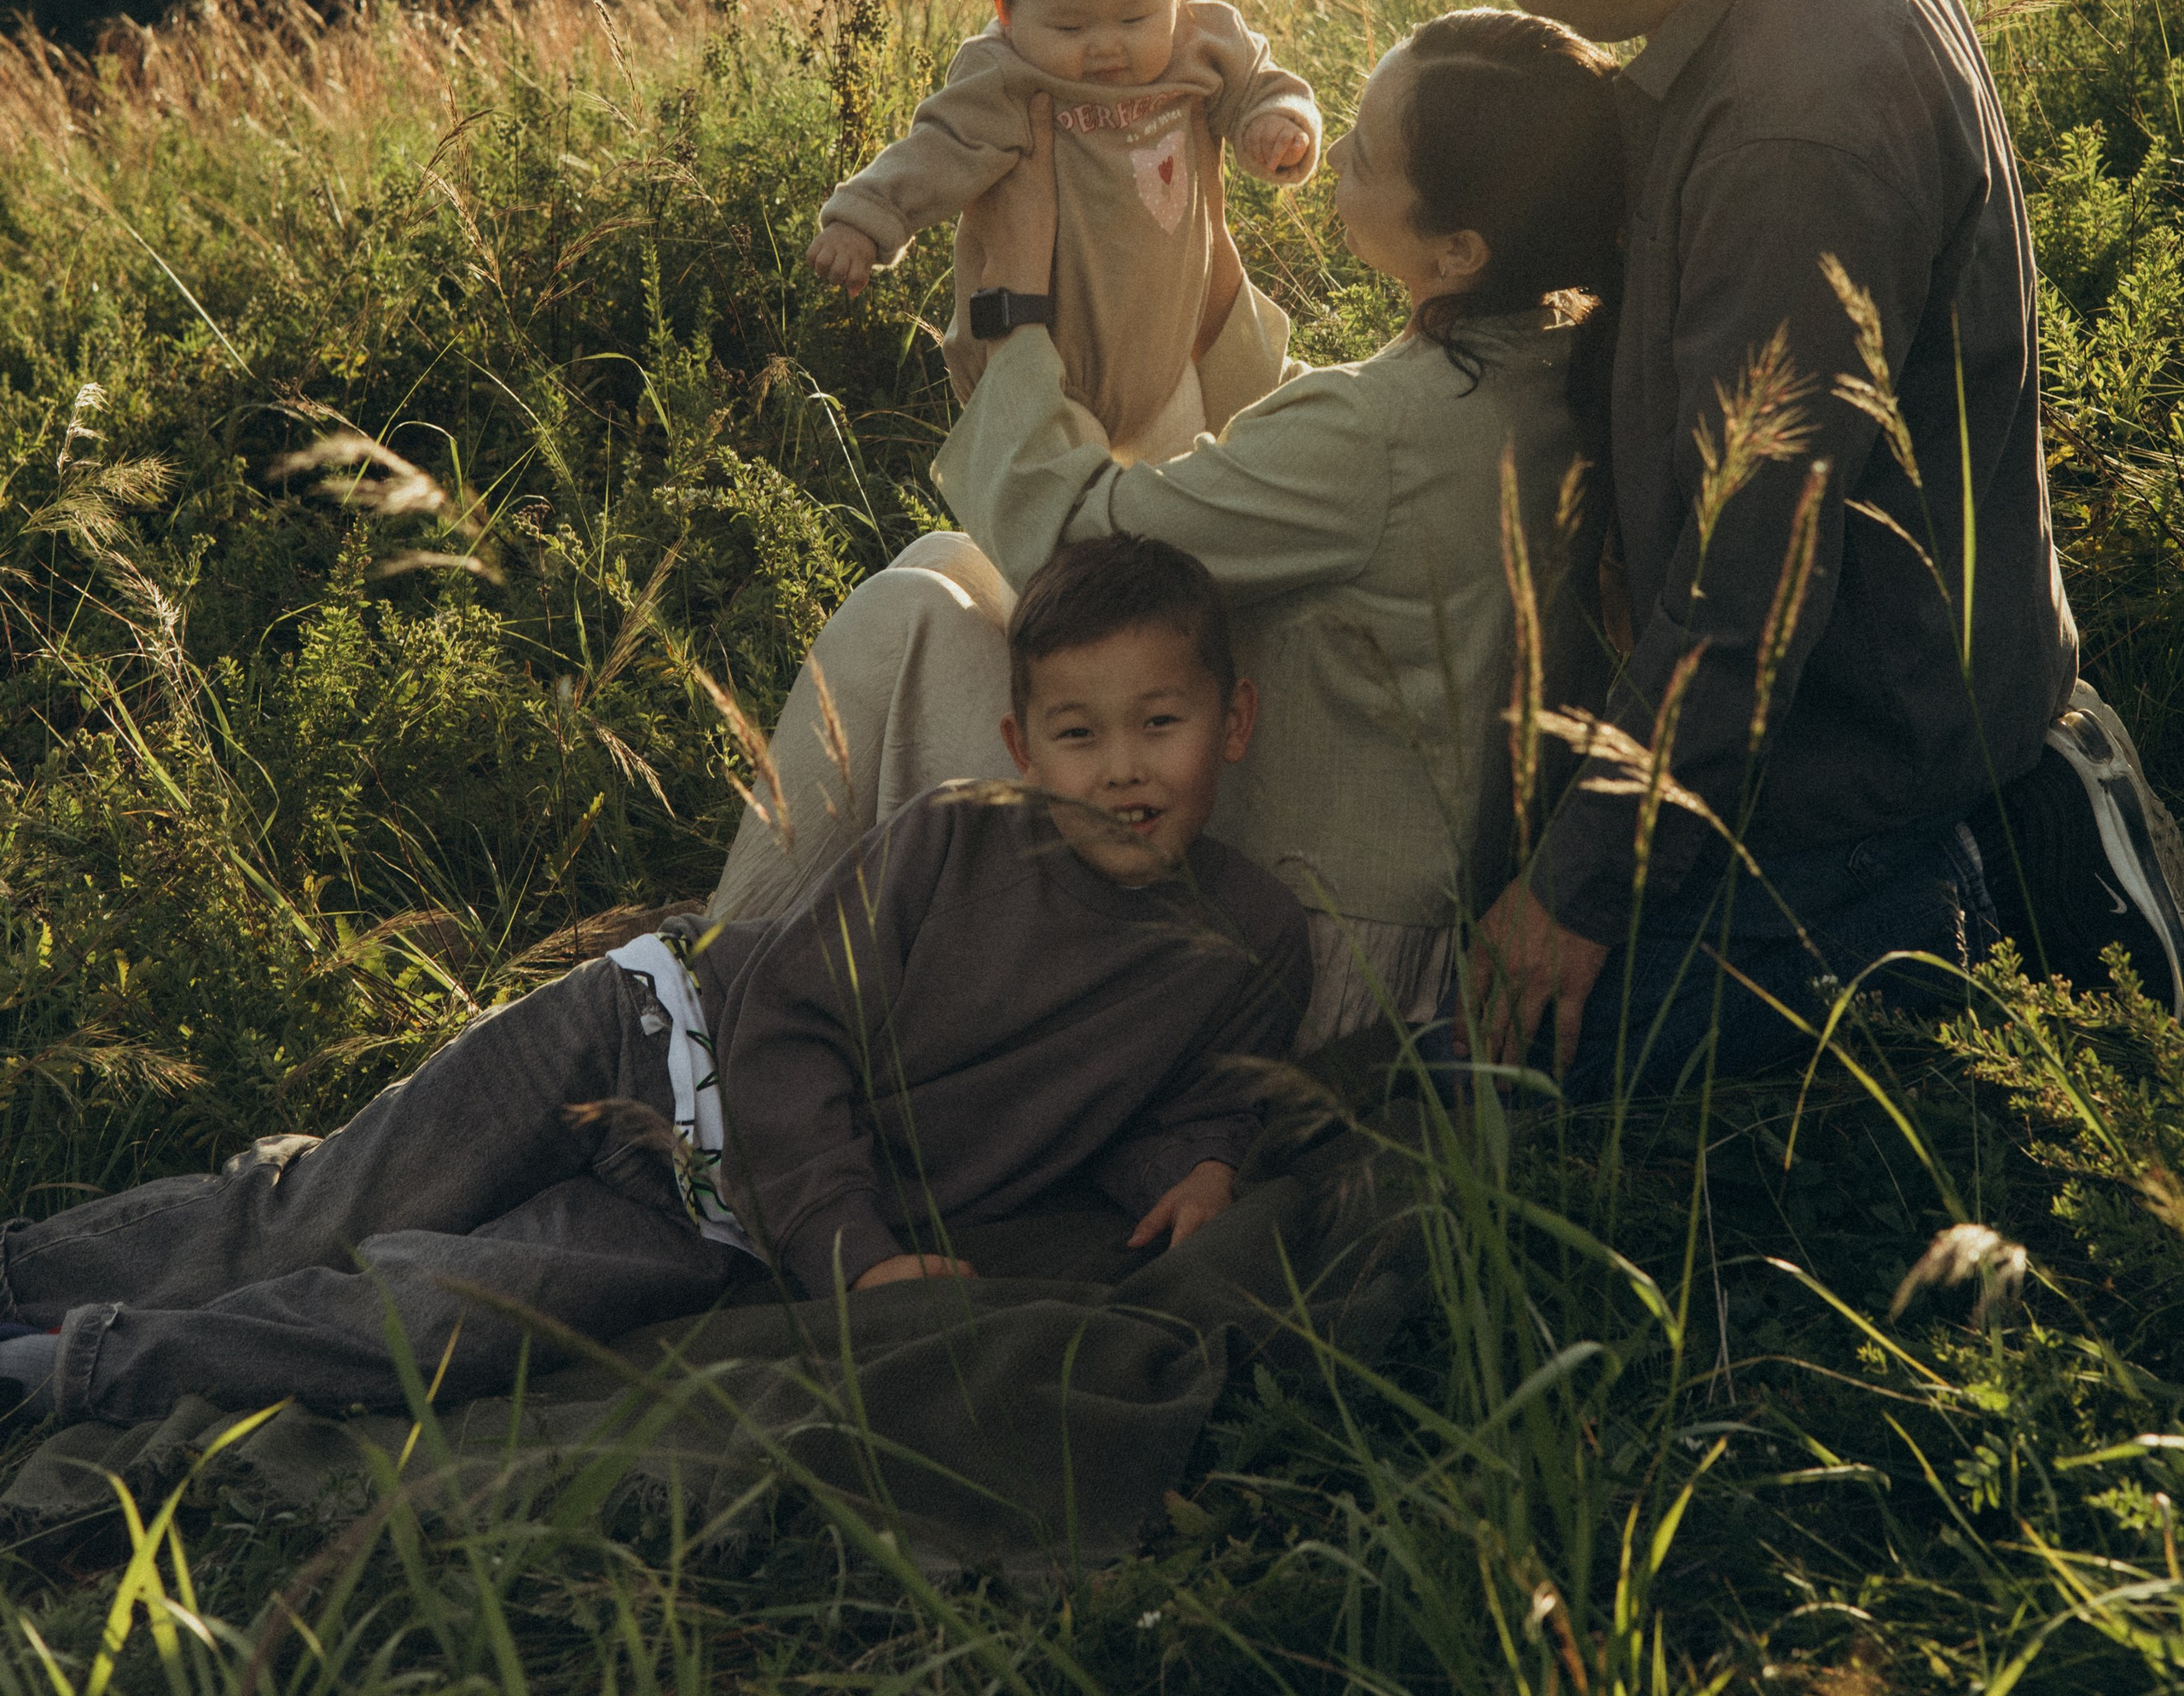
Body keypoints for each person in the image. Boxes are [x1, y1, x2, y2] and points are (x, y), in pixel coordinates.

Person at [0, 539, 1308, 1430]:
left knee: (442, 1321)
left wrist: (1200, 1169)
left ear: (1233, 724)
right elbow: (791, 1030)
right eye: (1080, 735)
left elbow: (1189, 1102)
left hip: (716, 1219)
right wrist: (854, 1257)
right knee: (323, 1207)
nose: (1123, 769)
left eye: (1162, 723)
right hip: (649, 1036)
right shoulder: (950, 842)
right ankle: (25, 1279)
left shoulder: (1251, 938)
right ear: (1023, 749)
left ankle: (84, 1368)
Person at [1402, 0, 2170, 1099]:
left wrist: (1579, 889)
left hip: (1858, 766)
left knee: (1470, 1067)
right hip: (1887, 688)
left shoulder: (1789, 140)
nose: (1520, 2)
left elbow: (1756, 570)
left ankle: (1953, 934)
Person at [720, 9, 1625, 1047]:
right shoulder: (1540, 369)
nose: (1341, 160)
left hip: (1298, 941)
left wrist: (1014, 305)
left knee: (906, 613)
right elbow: (1294, 478)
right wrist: (1200, 262)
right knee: (944, 566)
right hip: (1396, 908)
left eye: (1368, 153)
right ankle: (781, 978)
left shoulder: (1386, 430)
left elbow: (1084, 551)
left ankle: (709, 995)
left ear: (1459, 250)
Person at [808, 0, 1321, 460]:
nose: (1107, 45)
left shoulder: (1199, 42)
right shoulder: (1007, 79)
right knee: (1071, 533)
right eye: (1070, 25)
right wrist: (863, 220)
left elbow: (1263, 86)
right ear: (1007, 13)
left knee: (1179, 518)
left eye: (1135, 18)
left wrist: (1279, 125)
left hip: (1166, 371)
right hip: (1045, 371)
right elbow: (932, 150)